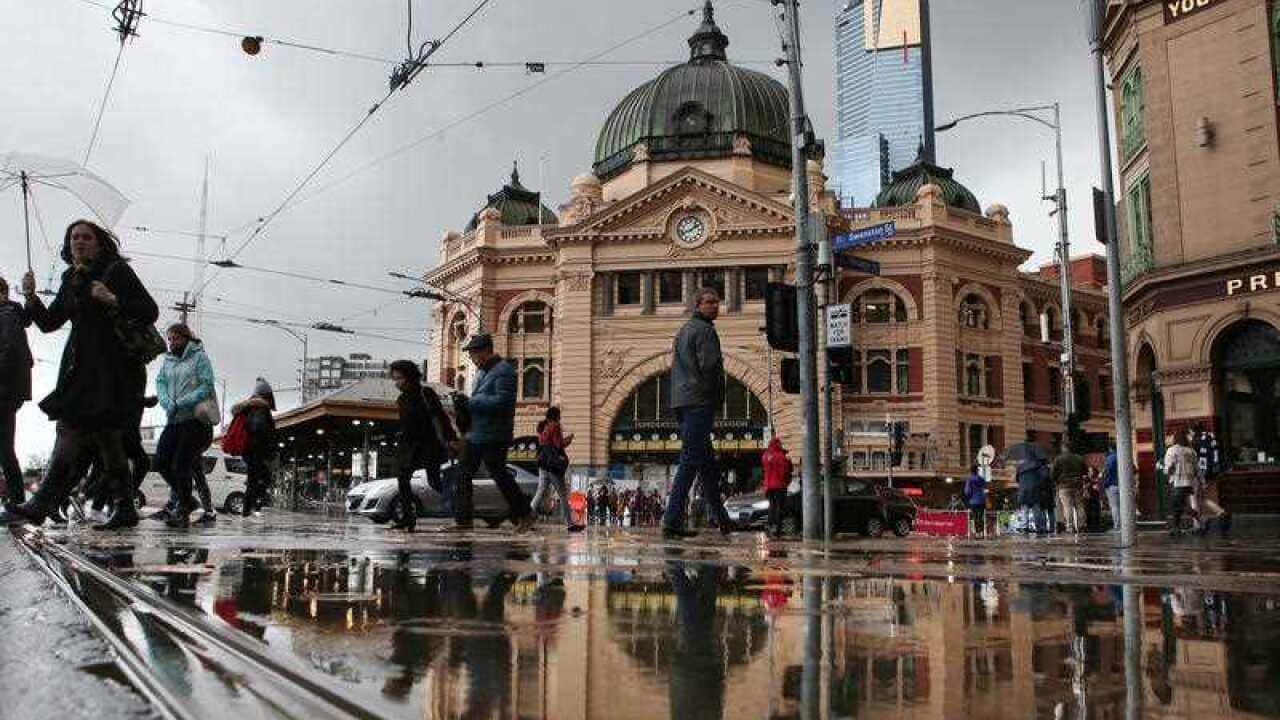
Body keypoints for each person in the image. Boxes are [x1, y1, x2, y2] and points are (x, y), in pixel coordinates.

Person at [7, 220, 159, 530]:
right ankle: (123, 507)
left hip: (114, 369)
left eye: (86, 237)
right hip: (81, 367)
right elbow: (50, 322)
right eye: (74, 237)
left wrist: (113, 299)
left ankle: (42, 503)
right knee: (104, 438)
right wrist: (31, 298)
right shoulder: (71, 277)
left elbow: (149, 310)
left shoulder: (116, 271)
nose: (79, 242)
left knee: (78, 430)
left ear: (99, 243)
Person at [662, 288, 735, 540]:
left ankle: (722, 520)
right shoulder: (705, 330)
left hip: (683, 400)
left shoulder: (684, 330)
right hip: (699, 400)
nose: (716, 306)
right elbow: (710, 367)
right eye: (710, 302)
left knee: (706, 464)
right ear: (697, 305)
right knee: (691, 460)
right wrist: (717, 396)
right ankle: (671, 520)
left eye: (717, 302)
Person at [449, 332, 532, 533]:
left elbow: (503, 401)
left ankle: (526, 514)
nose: (471, 358)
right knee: (463, 474)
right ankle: (463, 520)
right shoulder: (482, 372)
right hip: (477, 433)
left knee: (498, 474)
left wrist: (471, 402)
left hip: (495, 433)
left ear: (486, 351)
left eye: (473, 353)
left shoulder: (504, 371)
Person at [149, 324, 217, 528]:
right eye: (169, 339)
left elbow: (206, 385)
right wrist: (166, 401)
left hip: (195, 420)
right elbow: (160, 381)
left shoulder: (199, 357)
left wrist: (182, 402)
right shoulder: (168, 360)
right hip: (173, 419)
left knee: (181, 465)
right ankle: (187, 500)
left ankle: (182, 512)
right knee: (161, 461)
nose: (172, 343)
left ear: (186, 338)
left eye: (176, 339)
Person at [388, 359, 455, 532]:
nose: (397, 383)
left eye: (400, 378)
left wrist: (450, 438)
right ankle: (407, 518)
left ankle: (459, 511)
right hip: (409, 445)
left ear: (410, 377)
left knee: (435, 480)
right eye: (395, 379)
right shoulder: (402, 399)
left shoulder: (426, 393)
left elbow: (440, 417)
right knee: (403, 478)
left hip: (428, 444)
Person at [0, 274, 33, 511]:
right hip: (10, 390)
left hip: (4, 389)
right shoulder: (11, 312)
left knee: (4, 448)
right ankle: (17, 500)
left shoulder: (6, 314)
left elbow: (9, 351)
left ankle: (17, 500)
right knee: (4, 448)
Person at [532, 407, 585, 533]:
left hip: (543, 464)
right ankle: (570, 524)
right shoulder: (555, 426)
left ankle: (526, 519)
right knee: (563, 495)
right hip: (553, 466)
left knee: (539, 493)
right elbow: (558, 445)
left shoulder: (543, 428)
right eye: (559, 415)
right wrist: (569, 439)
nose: (560, 418)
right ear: (555, 416)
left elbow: (547, 444)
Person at [231, 378, 277, 518]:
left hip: (249, 450)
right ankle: (250, 509)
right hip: (257, 450)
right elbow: (258, 428)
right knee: (262, 479)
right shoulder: (260, 409)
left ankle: (250, 508)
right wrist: (268, 446)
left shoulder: (249, 408)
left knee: (255, 479)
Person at [1164, 429, 1200, 535]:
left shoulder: (1172, 450)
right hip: (1189, 482)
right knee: (1179, 505)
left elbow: (1169, 467)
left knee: (1178, 505)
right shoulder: (1191, 451)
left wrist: (1167, 472)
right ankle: (1175, 528)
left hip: (1177, 481)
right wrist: (1201, 481)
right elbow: (1197, 468)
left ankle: (1197, 517)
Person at [1051, 441, 1087, 534]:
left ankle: (1070, 527)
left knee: (1067, 506)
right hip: (1078, 485)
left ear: (1064, 448)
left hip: (1064, 486)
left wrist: (1056, 481)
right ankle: (1082, 526)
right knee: (1079, 506)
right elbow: (1085, 471)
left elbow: (1053, 473)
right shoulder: (1079, 458)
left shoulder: (1058, 459)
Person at [760, 437, 792, 538]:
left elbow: (765, 470)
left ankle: (770, 525)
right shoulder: (781, 457)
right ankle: (778, 529)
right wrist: (787, 482)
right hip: (779, 485)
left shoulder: (765, 456)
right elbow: (786, 472)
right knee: (779, 507)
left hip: (768, 486)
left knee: (772, 506)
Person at [963, 465, 987, 537]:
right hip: (982, 500)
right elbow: (985, 488)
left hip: (973, 501)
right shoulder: (981, 479)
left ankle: (977, 533)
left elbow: (967, 491)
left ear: (971, 471)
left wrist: (969, 496)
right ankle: (982, 532)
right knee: (981, 517)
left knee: (975, 517)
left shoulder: (969, 480)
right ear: (977, 470)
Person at [1102, 443, 1121, 531]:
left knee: (1114, 506)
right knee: (1123, 506)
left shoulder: (1110, 458)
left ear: (1110, 449)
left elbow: (1107, 472)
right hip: (1124, 485)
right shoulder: (1123, 455)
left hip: (1112, 485)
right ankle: (1126, 524)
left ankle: (1117, 526)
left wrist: (1105, 483)